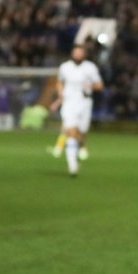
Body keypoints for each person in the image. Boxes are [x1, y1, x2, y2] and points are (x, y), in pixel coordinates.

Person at [49, 45, 104, 177]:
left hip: (85, 102)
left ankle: (81, 146)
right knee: (71, 131)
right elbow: (60, 82)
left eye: (80, 53)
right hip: (69, 102)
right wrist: (60, 94)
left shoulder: (90, 67)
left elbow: (100, 86)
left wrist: (90, 85)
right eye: (76, 52)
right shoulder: (65, 67)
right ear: (72, 54)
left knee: (81, 131)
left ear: (84, 54)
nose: (78, 55)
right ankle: (72, 164)